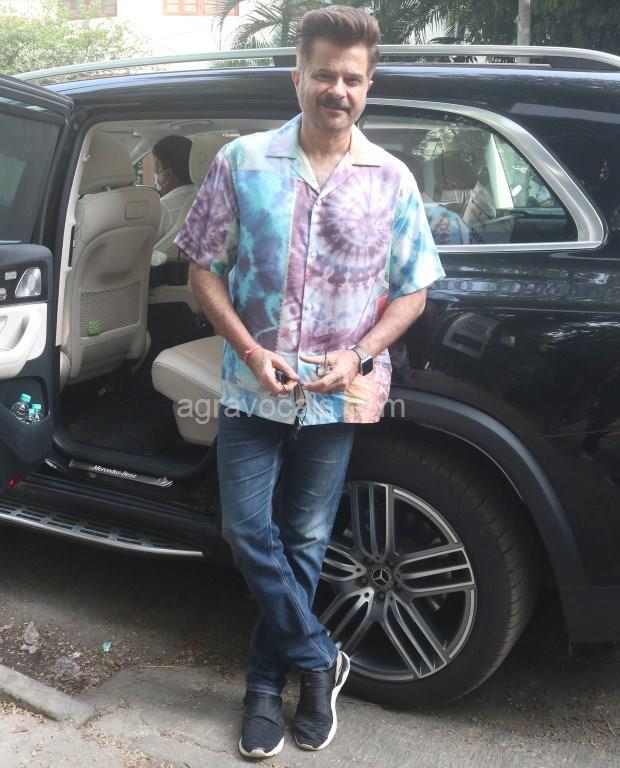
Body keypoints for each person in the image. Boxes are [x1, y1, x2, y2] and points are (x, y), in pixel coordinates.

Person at [174, 5, 444, 759]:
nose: (337, 90)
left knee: (305, 541)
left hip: (337, 396)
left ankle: (267, 687)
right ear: (297, 75)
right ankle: (319, 657)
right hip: (251, 386)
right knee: (244, 531)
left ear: (368, 85)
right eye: (324, 74)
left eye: (352, 78)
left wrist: (359, 355)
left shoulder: (391, 179)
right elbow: (202, 269)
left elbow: (413, 291)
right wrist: (250, 349)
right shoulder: (241, 161)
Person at [152, 134, 196, 242]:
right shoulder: (213, 201)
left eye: (157, 168)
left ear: (168, 174)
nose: (155, 173)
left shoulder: (162, 209)